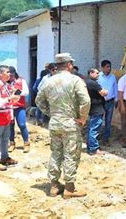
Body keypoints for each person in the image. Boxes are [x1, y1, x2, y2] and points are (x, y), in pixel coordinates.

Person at [35, 53, 91, 198]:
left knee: (56, 153)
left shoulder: (48, 81)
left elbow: (38, 101)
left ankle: (54, 186)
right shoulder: (75, 80)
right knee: (71, 155)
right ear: (69, 65)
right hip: (70, 123)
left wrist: (51, 113)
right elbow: (85, 101)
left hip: (55, 123)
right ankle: (69, 188)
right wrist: (82, 118)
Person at [85, 68, 108, 155]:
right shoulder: (93, 83)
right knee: (94, 129)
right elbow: (103, 93)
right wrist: (106, 91)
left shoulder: (87, 82)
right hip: (97, 109)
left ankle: (90, 147)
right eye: (97, 73)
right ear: (91, 73)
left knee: (91, 128)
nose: (98, 74)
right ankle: (94, 149)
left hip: (93, 108)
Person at [7, 66, 30, 153]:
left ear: (14, 73)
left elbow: (26, 92)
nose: (11, 77)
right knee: (10, 126)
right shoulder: (6, 83)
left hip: (19, 107)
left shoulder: (21, 81)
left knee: (22, 124)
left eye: (12, 75)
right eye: (9, 76)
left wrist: (16, 91)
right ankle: (12, 143)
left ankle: (26, 143)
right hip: (9, 107)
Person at [97, 60, 118, 145]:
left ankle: (106, 138)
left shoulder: (112, 77)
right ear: (102, 68)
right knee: (98, 120)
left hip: (110, 102)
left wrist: (116, 99)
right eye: (107, 67)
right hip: (100, 102)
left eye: (110, 67)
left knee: (108, 121)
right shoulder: (98, 77)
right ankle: (97, 136)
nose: (109, 69)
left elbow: (115, 88)